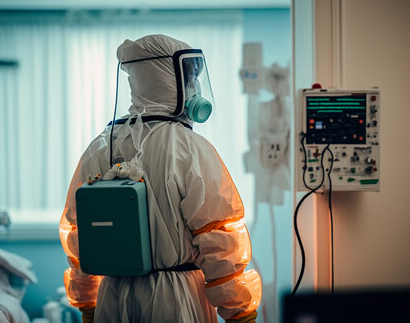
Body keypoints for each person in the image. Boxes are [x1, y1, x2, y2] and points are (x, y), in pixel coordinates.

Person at [59, 34, 261, 323]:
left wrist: (87, 303)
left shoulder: (101, 146)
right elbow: (220, 238)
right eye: (190, 77)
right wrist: (241, 313)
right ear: (168, 79)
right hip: (177, 300)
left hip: (112, 300)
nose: (194, 87)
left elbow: (79, 235)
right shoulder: (188, 148)